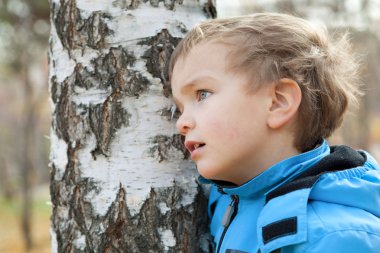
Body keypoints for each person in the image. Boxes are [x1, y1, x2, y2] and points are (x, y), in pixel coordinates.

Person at [168, 13, 380, 253]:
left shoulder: (333, 238)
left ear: (278, 102)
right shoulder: (227, 197)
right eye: (180, 108)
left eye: (202, 94)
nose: (181, 123)